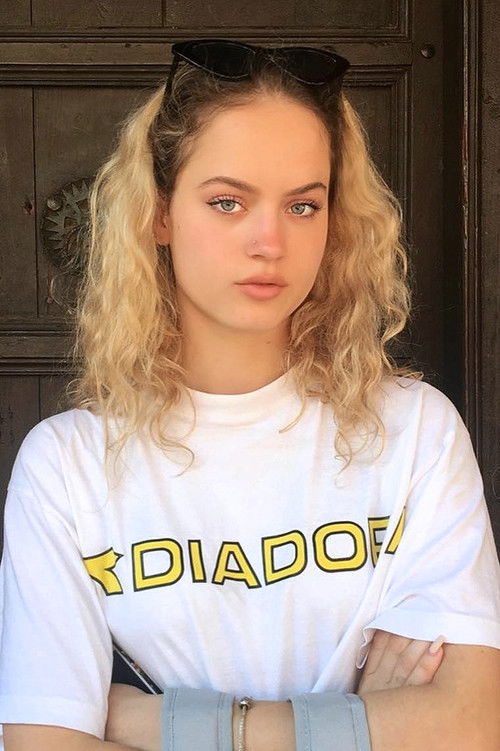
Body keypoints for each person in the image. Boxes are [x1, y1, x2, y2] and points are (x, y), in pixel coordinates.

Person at [0, 38, 499, 751]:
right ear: (161, 213)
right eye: (228, 202)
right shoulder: (68, 465)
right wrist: (362, 721)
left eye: (303, 205)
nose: (270, 241)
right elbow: (44, 745)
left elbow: (471, 725)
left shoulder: (413, 430)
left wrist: (153, 721)